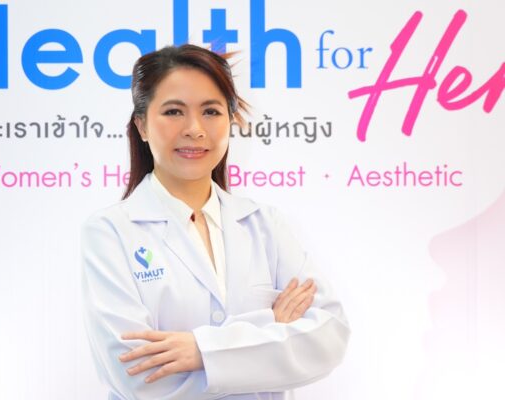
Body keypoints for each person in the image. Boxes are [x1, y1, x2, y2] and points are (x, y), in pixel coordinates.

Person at [81, 44, 350, 400]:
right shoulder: (110, 231)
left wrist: (200, 351)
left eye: (211, 111)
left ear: (231, 120)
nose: (194, 129)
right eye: (174, 111)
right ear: (142, 125)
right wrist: (271, 326)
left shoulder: (265, 224)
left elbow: (328, 339)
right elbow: (137, 374)